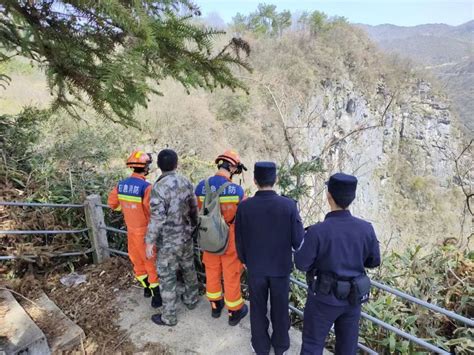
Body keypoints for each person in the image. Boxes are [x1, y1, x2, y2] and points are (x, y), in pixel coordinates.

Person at [295, 173, 381, 355]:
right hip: (353, 299)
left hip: (322, 300)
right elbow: (374, 261)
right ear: (353, 197)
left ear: (328, 196)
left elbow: (301, 264)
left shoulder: (318, 231)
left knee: (312, 345)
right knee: (347, 348)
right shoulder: (366, 229)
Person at [235, 162, 304, 355]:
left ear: (255, 180)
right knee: (280, 307)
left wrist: (245, 260)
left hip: (255, 267)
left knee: (257, 308)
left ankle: (261, 346)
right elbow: (298, 241)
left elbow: (238, 239)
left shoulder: (244, 207)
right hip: (280, 268)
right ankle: (281, 346)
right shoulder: (289, 206)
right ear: (276, 179)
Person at [145, 149, 200, 326]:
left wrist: (150, 241)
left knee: (167, 275)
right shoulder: (185, 181)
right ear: (176, 164)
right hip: (186, 236)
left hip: (168, 242)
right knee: (188, 268)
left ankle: (168, 316)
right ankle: (192, 300)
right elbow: (194, 208)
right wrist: (194, 227)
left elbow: (157, 217)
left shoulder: (158, 188)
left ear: (159, 166)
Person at [195, 150, 248, 326]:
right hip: (229, 239)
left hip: (208, 236)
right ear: (232, 167)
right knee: (231, 274)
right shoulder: (237, 190)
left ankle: (215, 306)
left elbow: (196, 211)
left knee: (211, 271)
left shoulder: (201, 186)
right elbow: (244, 216)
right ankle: (234, 312)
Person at [108, 150, 161, 308]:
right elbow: (152, 211)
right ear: (145, 168)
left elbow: (112, 204)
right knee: (150, 263)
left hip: (130, 230)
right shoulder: (147, 188)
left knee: (137, 261)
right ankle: (156, 297)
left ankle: (146, 289)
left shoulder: (121, 185)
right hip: (144, 232)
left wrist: (128, 210)